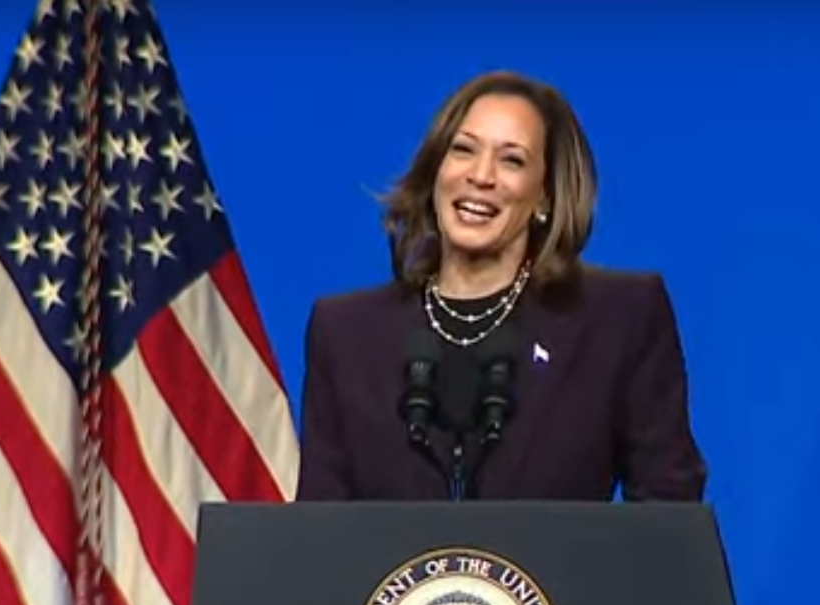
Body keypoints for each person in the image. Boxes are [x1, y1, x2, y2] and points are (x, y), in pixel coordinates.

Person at [295, 69, 706, 502]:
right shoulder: (345, 333)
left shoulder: (618, 318)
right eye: (463, 150)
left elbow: (668, 508)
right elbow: (322, 530)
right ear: (436, 169)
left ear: (545, 195)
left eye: (512, 160)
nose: (481, 176)